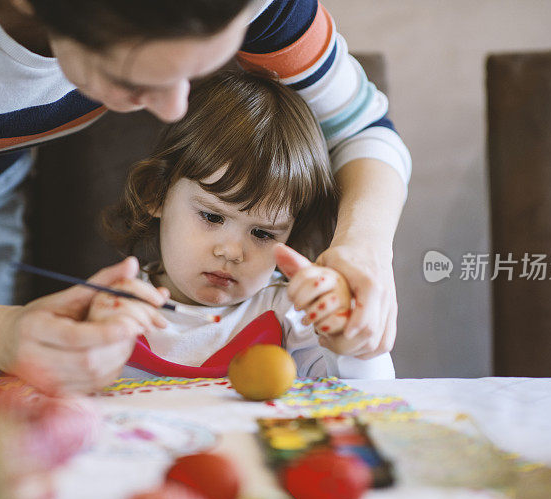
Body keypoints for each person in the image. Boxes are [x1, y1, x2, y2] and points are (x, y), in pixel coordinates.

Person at [0, 0, 410, 392]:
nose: (171, 111)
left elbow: (362, 128)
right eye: (136, 79)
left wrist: (363, 247)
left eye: (202, 67)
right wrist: (3, 333)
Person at [85, 71, 395, 383]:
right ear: (157, 193)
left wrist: (350, 340)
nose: (232, 252)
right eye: (212, 217)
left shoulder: (291, 311)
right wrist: (92, 343)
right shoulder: (114, 305)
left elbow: (371, 397)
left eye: (262, 233)